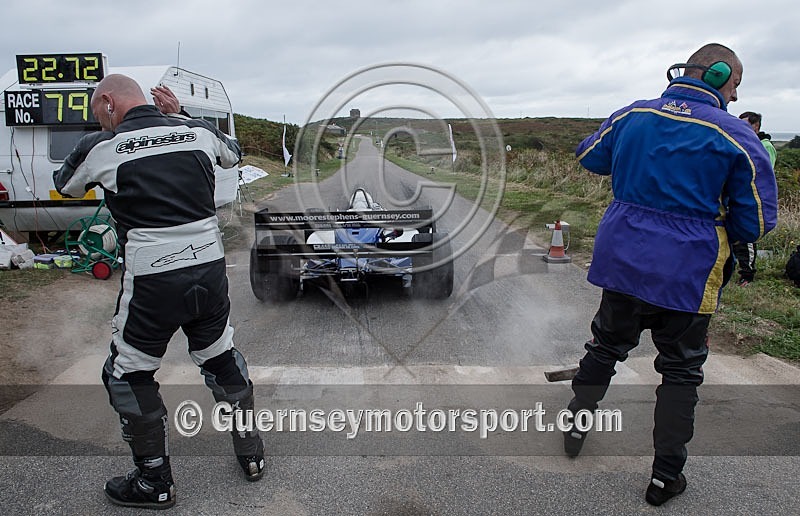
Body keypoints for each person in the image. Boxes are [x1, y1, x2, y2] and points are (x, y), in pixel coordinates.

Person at [566, 44, 777, 506]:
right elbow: (757, 222)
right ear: (718, 74)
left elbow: (589, 156)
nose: (736, 96)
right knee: (681, 372)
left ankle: (575, 427)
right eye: (736, 84)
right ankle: (665, 477)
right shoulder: (736, 136)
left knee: (605, 347)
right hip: (688, 272)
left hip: (623, 260)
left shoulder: (632, 115)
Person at [53, 75, 264, 510]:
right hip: (209, 269)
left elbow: (66, 183)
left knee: (127, 374)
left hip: (153, 278)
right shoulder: (196, 131)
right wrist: (179, 117)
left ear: (108, 102)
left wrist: (100, 141)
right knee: (219, 357)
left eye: (98, 113)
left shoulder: (101, 145)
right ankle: (252, 454)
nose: (101, 121)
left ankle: (154, 482)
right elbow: (234, 153)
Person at [731, 111, 777, 286]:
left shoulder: (765, 146)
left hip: (753, 197)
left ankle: (747, 274)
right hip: (739, 194)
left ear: (756, 126)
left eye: (745, 124)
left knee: (747, 237)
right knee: (734, 236)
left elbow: (763, 173)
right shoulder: (746, 143)